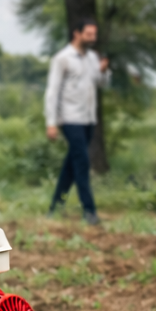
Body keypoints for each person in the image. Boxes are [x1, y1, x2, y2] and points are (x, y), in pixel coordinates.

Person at [44, 18, 110, 225]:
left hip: (88, 118)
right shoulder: (62, 58)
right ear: (77, 33)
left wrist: (104, 70)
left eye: (94, 34)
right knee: (82, 162)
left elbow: (102, 83)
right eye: (89, 34)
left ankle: (55, 206)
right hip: (70, 118)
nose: (93, 38)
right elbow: (52, 91)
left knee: (71, 164)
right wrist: (51, 121)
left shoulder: (92, 57)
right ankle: (89, 210)